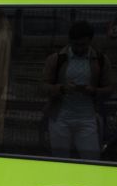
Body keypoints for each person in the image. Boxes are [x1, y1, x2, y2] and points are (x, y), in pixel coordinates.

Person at [43, 20, 111, 160]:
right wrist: (61, 88)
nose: (79, 49)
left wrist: (93, 91)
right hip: (60, 119)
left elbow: (110, 88)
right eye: (75, 45)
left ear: (90, 42)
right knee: (60, 161)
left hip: (87, 119)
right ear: (70, 42)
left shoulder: (100, 60)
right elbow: (42, 85)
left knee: (91, 161)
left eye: (83, 45)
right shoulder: (57, 59)